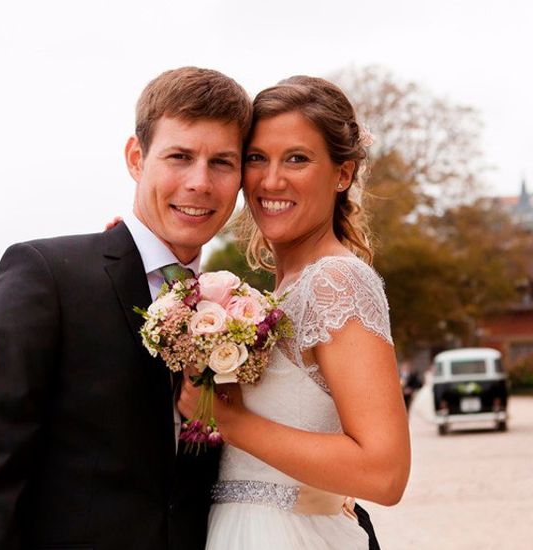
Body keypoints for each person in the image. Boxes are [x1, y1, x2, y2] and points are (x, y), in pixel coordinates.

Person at [0, 67, 253, 550]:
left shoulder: (239, 309)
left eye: (222, 163)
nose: (200, 182)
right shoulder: (46, 274)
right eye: (180, 156)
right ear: (137, 158)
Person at [178, 76, 411, 550]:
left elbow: (385, 473)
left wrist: (234, 424)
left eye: (297, 159)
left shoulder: (336, 282)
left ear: (342, 174)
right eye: (256, 158)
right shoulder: (279, 292)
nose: (271, 180)